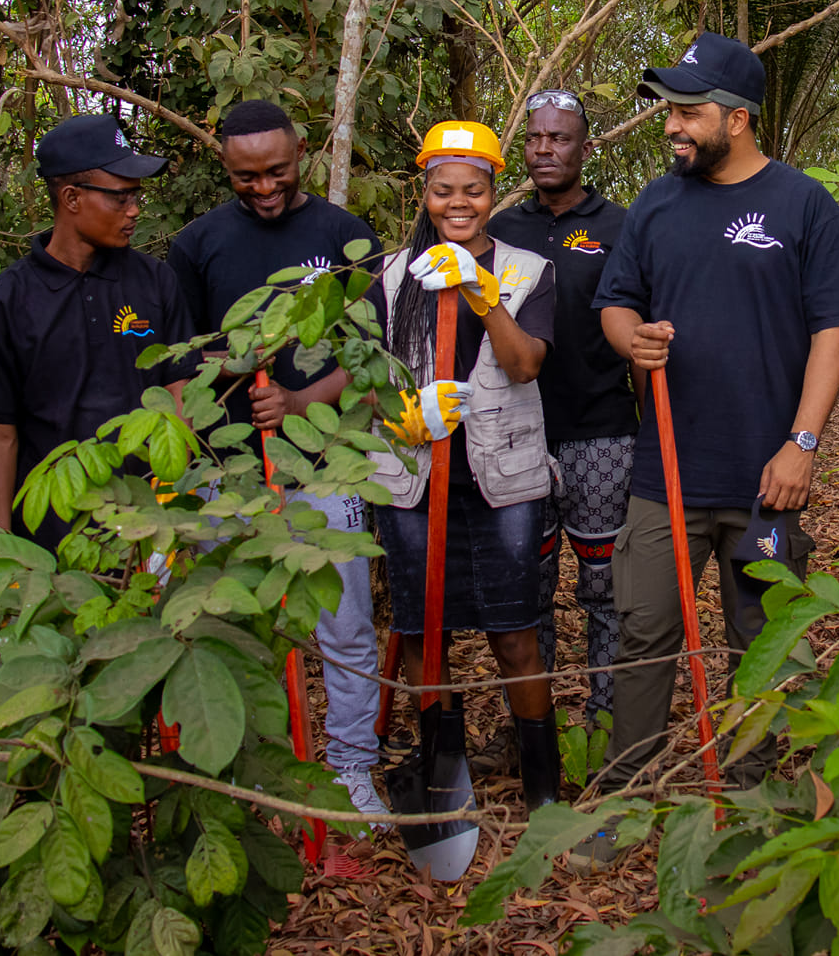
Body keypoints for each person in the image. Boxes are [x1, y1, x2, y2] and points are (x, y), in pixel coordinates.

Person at [583, 30, 839, 827]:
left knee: (761, 645)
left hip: (765, 476)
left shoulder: (803, 205)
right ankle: (623, 799)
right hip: (662, 471)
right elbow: (615, 299)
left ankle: (755, 803)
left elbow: (830, 334)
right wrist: (627, 337)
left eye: (688, 110)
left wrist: (802, 445)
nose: (672, 124)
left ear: (737, 117)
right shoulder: (657, 203)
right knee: (641, 637)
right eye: (669, 109)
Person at [166, 99, 390, 823]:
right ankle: (249, 771)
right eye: (245, 176)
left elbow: (369, 358)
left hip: (324, 464)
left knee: (345, 622)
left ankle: (353, 770)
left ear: (305, 153)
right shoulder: (196, 244)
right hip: (227, 475)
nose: (263, 188)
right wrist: (225, 379)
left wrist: (298, 403)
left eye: (277, 171)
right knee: (234, 626)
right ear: (223, 166)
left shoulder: (344, 235)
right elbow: (180, 366)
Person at [370, 120, 562, 815]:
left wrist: (480, 289)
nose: (460, 203)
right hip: (415, 478)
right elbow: (365, 376)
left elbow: (525, 364)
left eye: (474, 190)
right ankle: (442, 783)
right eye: (444, 190)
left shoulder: (528, 270)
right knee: (426, 632)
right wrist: (402, 417)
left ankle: (544, 791)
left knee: (515, 633)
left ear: (491, 192)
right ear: (423, 192)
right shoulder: (392, 277)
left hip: (500, 477)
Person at [0, 114, 195, 555]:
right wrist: (1, 554)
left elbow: (178, 389)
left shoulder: (156, 282)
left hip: (149, 523)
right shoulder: (3, 305)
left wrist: (172, 500)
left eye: (136, 196)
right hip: (54, 534)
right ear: (71, 198)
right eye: (120, 197)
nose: (134, 210)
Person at [487, 88, 637, 733]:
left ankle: (607, 723)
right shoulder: (502, 228)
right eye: (535, 138)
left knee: (606, 588)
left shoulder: (619, 228)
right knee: (527, 588)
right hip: (517, 432)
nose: (545, 149)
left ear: (586, 147)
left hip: (600, 430)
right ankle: (534, 729)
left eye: (560, 138)